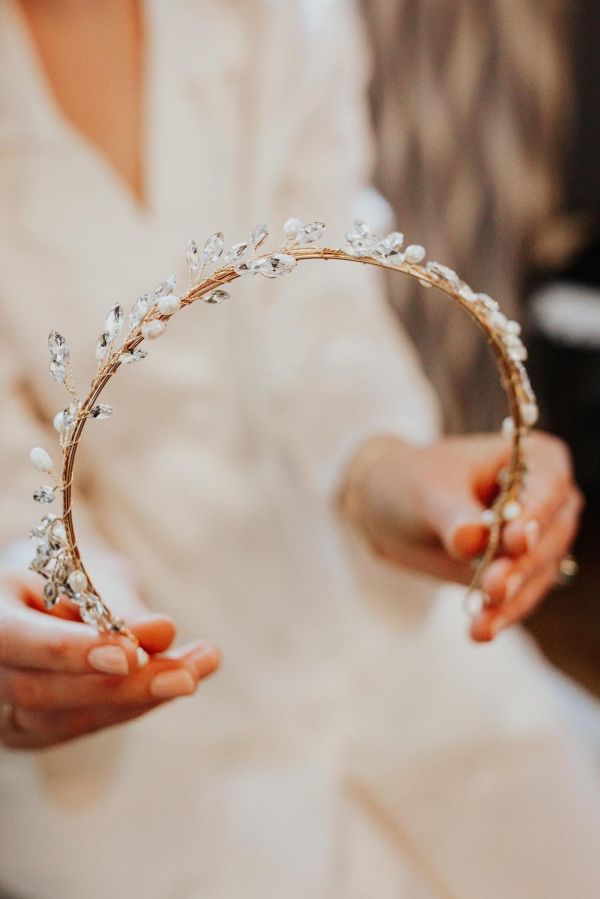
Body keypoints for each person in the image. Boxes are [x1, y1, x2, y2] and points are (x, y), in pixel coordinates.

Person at [0, 1, 598, 897]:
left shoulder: (279, 20)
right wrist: (34, 579)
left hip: (361, 609)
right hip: (126, 754)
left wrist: (385, 469)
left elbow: (320, 318)